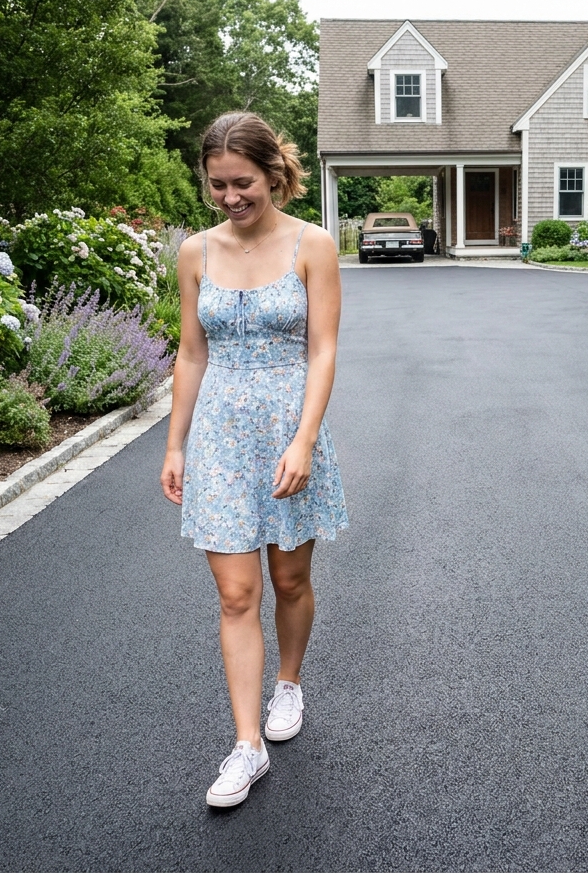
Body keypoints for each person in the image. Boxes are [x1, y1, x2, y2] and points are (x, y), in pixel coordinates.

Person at [160, 111, 349, 808]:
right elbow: (191, 354)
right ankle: (247, 746)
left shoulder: (312, 244)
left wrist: (304, 438)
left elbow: (322, 349)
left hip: (287, 429)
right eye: (218, 185)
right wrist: (175, 443)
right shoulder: (194, 253)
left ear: (273, 173)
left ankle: (288, 684)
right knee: (236, 595)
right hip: (219, 438)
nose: (231, 197)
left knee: (289, 580)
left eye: (243, 182)